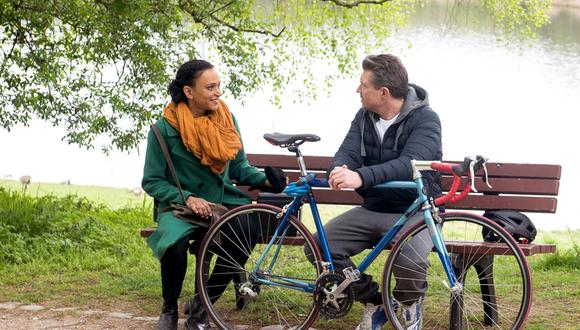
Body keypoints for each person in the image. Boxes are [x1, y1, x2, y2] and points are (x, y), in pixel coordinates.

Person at [142, 59, 285, 330]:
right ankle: (169, 309)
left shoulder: (226, 119)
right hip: (179, 207)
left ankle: (202, 305)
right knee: (174, 245)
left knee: (247, 229)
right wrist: (187, 197)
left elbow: (239, 167)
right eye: (210, 87)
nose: (218, 92)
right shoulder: (163, 129)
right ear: (189, 92)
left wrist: (267, 180)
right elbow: (152, 181)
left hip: (221, 202)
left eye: (219, 85)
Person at [309, 54, 442, 330]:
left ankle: (408, 305)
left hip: (414, 211)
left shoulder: (427, 120)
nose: (358, 90)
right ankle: (377, 300)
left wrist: (360, 177)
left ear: (383, 93)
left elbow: (409, 165)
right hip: (374, 208)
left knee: (411, 259)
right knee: (319, 247)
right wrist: (339, 168)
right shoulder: (364, 116)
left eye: (363, 85)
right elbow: (347, 150)